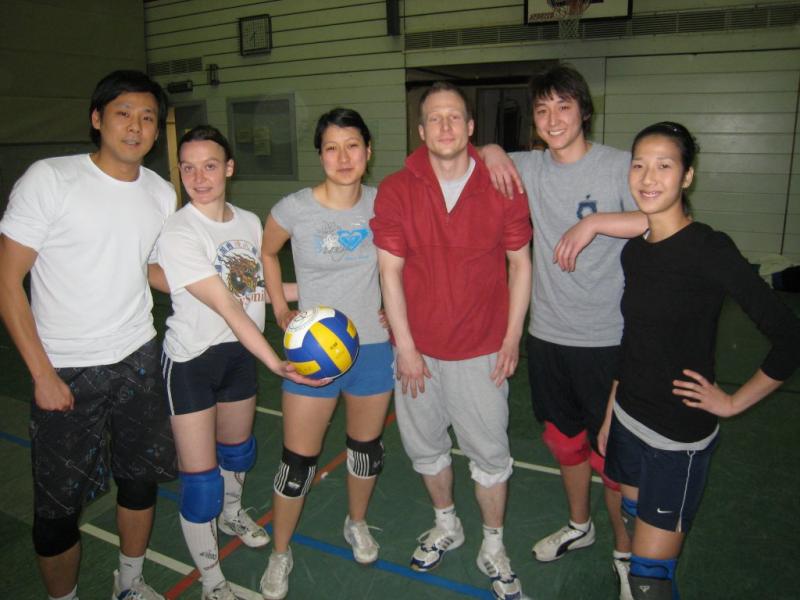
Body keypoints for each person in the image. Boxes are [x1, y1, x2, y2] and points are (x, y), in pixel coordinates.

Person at [602, 121, 800, 599]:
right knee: (632, 520)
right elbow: (634, 339)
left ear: (687, 176)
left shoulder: (710, 249)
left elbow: (790, 337)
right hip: (628, 418)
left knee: (650, 580)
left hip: (676, 440)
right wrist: (611, 412)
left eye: (664, 165)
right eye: (639, 165)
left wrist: (732, 403)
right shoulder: (634, 252)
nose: (648, 177)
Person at [0, 70, 177, 600]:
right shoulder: (50, 179)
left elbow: (148, 268)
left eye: (148, 117)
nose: (136, 126)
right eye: (123, 113)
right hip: (65, 368)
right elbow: (8, 281)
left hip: (137, 357)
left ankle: (130, 582)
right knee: (58, 509)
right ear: (97, 119)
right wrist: (42, 375)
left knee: (140, 482)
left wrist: (224, 289)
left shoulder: (160, 193)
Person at [480, 64, 646, 598]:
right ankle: (580, 525)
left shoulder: (618, 166)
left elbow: (661, 217)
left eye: (564, 107)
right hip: (549, 336)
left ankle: (626, 553)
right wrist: (492, 149)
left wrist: (594, 222)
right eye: (543, 109)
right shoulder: (528, 167)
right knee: (565, 442)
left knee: (612, 457)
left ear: (585, 111)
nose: (553, 119)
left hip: (609, 339)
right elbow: (466, 158)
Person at [371, 82, 532, 600]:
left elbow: (520, 264)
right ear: (421, 131)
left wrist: (512, 338)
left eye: (454, 117)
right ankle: (447, 524)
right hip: (417, 352)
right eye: (435, 118)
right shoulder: (397, 188)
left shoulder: (502, 184)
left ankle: (493, 544)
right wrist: (405, 347)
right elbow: (390, 272)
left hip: (482, 350)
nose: (445, 126)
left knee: (490, 456)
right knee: (426, 449)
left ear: (470, 127)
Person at [158, 125, 325, 600]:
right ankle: (211, 580)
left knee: (238, 454)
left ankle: (232, 514)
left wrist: (334, 288)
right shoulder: (179, 230)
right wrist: (275, 360)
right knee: (200, 484)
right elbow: (229, 306)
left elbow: (259, 289)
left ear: (229, 168)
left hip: (238, 355)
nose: (199, 177)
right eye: (188, 168)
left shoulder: (250, 223)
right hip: (191, 361)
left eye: (210, 166)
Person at [258, 108, 394, 600]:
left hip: (372, 349)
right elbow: (267, 252)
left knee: (366, 450)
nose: (343, 157)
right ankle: (280, 552)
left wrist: (396, 308)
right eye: (332, 148)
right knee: (297, 461)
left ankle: (356, 522)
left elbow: (406, 263)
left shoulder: (384, 204)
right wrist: (279, 308)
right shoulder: (294, 209)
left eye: (352, 145)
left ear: (368, 151)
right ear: (320, 155)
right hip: (313, 354)